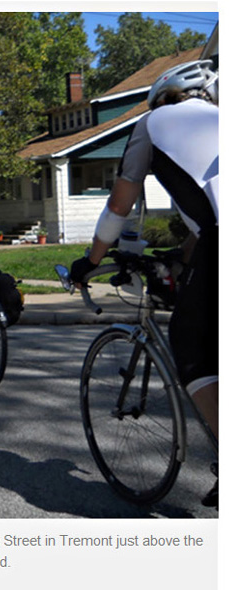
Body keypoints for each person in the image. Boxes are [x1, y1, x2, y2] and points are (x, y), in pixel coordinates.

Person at [69, 59, 218, 507]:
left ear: (161, 98)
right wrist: (183, 257)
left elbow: (119, 205)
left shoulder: (152, 124)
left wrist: (90, 260)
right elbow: (206, 216)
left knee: (192, 345)